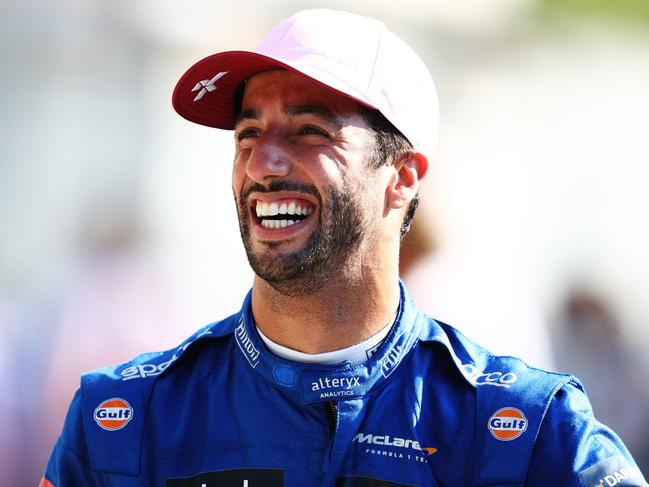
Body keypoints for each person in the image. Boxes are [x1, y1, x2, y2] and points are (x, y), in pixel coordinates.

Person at [41, 9, 647, 487]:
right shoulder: (121, 419)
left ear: (403, 176)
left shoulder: (529, 431)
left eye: (309, 131)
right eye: (247, 132)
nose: (264, 163)